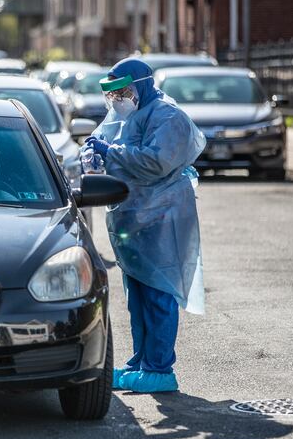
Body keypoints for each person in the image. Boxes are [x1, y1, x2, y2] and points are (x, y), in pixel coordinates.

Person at [82, 57, 206, 393]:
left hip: (163, 217)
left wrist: (111, 153)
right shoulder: (128, 115)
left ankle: (160, 369)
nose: (116, 98)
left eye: (122, 90)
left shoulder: (167, 116)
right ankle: (141, 362)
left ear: (141, 85)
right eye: (111, 93)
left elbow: (157, 161)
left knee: (158, 292)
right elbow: (105, 141)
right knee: (137, 295)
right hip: (136, 219)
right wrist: (92, 154)